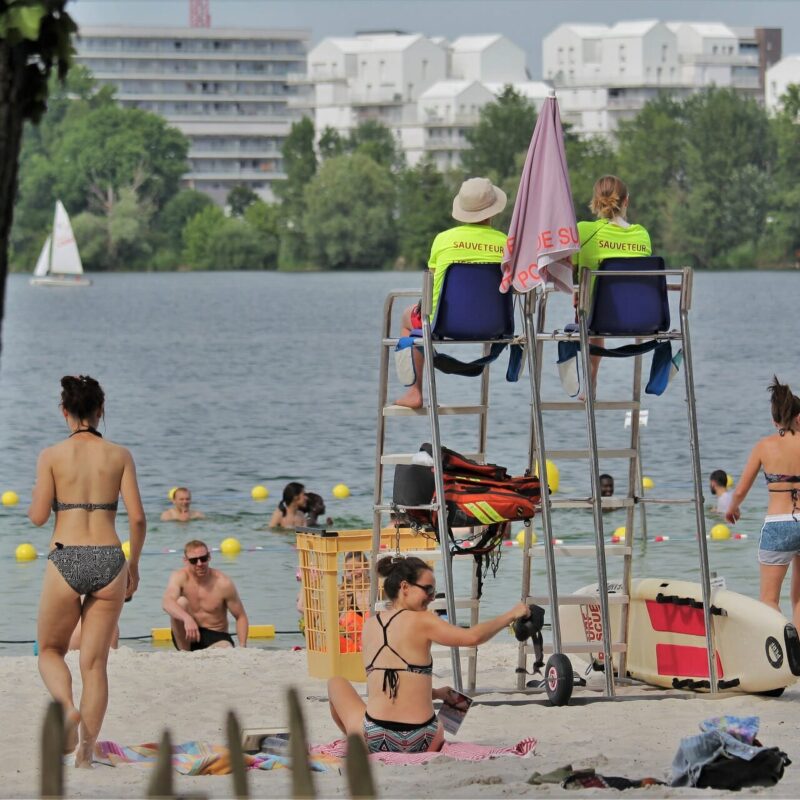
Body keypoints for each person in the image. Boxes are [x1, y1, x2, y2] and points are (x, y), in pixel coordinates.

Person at [28, 375, 145, 767]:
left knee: (49, 650)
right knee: (94, 665)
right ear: (101, 410)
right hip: (110, 559)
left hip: (67, 557)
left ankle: (66, 707)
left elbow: (38, 517)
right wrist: (134, 564)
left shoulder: (50, 456)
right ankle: (85, 754)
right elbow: (139, 519)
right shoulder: (120, 455)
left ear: (64, 411)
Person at [327, 556, 530, 753]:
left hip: (375, 737)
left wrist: (434, 693)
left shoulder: (370, 625)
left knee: (335, 683)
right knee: (455, 701)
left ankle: (359, 745)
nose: (433, 597)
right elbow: (472, 638)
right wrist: (512, 614)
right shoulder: (423, 620)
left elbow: (385, 685)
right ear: (405, 587)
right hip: (424, 739)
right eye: (428, 589)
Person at [395, 177, 508, 409]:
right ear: (492, 211)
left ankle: (414, 392)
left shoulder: (443, 240)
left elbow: (435, 281)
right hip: (497, 326)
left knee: (407, 317)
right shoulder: (506, 243)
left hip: (443, 324)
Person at [726, 377, 800, 629]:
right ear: (797, 417)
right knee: (799, 598)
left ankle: (783, 655)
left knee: (769, 599)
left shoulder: (764, 447)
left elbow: (741, 490)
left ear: (774, 420)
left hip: (778, 524)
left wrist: (733, 508)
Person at [573, 175, 652, 392]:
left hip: (597, 319)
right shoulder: (642, 234)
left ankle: (591, 378)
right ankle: (592, 377)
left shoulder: (583, 231)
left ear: (595, 201)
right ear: (626, 201)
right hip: (640, 318)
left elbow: (569, 270)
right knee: (596, 303)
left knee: (589, 306)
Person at [163, 539, 249, 650]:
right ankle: (184, 654)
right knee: (180, 602)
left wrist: (242, 646)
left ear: (209, 557)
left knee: (225, 648)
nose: (199, 564)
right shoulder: (179, 577)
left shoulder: (223, 582)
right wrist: (187, 619)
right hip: (187, 635)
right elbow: (166, 602)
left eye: (203, 559)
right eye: (194, 561)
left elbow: (240, 616)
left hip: (216, 635)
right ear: (186, 560)